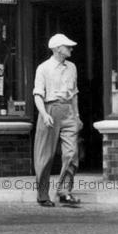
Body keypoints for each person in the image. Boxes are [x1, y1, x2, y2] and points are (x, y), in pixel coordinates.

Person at [33, 33, 83, 207]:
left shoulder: (72, 67)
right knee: (45, 154)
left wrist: (76, 115)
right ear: (56, 49)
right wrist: (44, 114)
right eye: (67, 46)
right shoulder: (43, 68)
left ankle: (64, 191)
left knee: (71, 152)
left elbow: (75, 93)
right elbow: (38, 94)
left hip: (68, 110)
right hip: (50, 109)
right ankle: (42, 194)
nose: (71, 48)